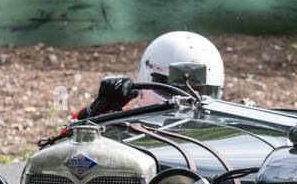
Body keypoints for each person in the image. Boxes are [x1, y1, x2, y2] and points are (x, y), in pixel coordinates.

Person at [70, 31, 225, 122]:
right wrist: (97, 109)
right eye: (175, 89)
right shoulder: (123, 120)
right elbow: (66, 140)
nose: (188, 98)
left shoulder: (229, 130)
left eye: (200, 90)